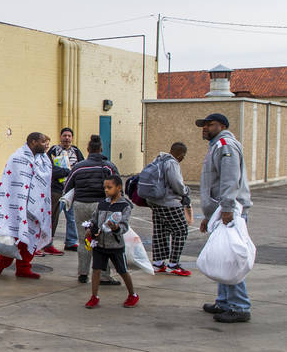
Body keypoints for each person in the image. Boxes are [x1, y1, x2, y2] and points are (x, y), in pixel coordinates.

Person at [196, 113, 253, 323]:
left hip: (230, 212)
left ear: (222, 126)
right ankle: (224, 302)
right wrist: (209, 216)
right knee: (223, 256)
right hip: (221, 212)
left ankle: (240, 306)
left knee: (231, 257)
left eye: (209, 124)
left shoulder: (225, 145)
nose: (205, 128)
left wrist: (227, 208)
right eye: (203, 125)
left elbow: (230, 180)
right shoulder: (216, 146)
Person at [0, 132, 53, 279]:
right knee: (13, 238)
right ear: (34, 142)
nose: (46, 145)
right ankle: (1, 264)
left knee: (29, 239)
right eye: (43, 142)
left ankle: (23, 268)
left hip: (35, 207)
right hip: (18, 205)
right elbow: (12, 183)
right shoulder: (18, 158)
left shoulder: (43, 160)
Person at [63, 135, 120, 286]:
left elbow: (67, 187)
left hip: (80, 205)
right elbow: (118, 188)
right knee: (102, 241)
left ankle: (83, 273)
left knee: (84, 240)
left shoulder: (78, 166)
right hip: (101, 206)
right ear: (101, 149)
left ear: (88, 150)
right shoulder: (108, 166)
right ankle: (103, 275)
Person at [83, 175, 138, 308]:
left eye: (109, 187)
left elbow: (125, 226)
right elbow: (94, 219)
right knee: (96, 270)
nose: (106, 190)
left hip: (115, 245)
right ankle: (94, 296)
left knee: (122, 270)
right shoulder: (102, 204)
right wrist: (90, 228)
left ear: (119, 188)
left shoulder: (125, 206)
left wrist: (116, 228)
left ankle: (133, 294)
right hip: (100, 243)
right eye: (105, 188)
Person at [148, 142, 192, 276]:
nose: (183, 158)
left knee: (160, 231)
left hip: (154, 201)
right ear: (179, 154)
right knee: (181, 230)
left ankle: (158, 263)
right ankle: (173, 264)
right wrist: (186, 191)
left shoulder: (158, 159)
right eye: (183, 156)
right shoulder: (172, 163)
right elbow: (177, 185)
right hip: (169, 202)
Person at [46, 127, 85, 254]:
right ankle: (48, 243)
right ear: (60, 137)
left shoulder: (76, 152)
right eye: (64, 136)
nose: (67, 138)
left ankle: (71, 242)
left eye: (69, 136)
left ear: (72, 138)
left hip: (71, 191)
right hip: (56, 190)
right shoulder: (53, 151)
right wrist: (66, 171)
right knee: (53, 217)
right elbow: (48, 169)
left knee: (72, 217)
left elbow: (81, 168)